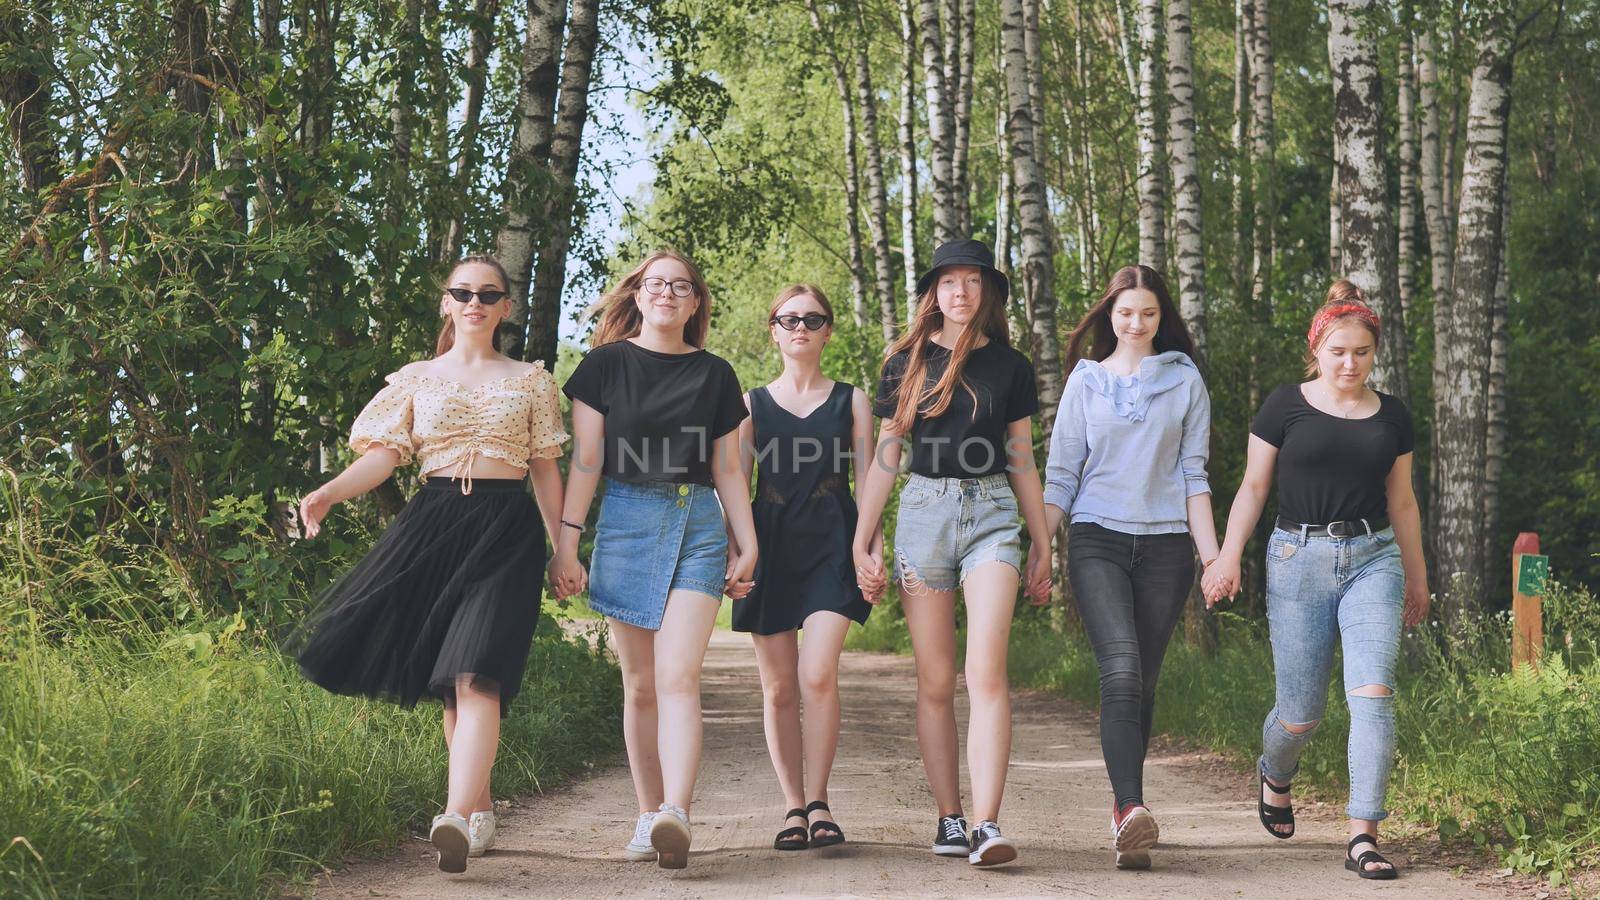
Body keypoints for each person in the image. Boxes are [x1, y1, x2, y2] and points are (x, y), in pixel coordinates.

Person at [294, 255, 568, 873]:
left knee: (478, 674)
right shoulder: (416, 378)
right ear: (447, 302)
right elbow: (384, 457)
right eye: (463, 292)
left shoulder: (531, 381)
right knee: (452, 684)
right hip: (434, 525)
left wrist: (565, 547)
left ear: (505, 307)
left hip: (506, 528)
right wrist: (329, 492)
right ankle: (478, 810)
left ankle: (452, 818)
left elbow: (547, 468)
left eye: (488, 293)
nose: (475, 301)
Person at [1203, 281, 1430, 880]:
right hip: (1296, 558)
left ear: (1373, 352)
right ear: (1318, 351)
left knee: (1374, 695)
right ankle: (1275, 773)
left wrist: (1417, 577)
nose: (1350, 364)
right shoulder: (1285, 405)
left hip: (1373, 559)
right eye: (1338, 352)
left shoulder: (1394, 416)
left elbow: (1403, 503)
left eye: (1361, 352)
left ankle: (1363, 835)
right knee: (1300, 713)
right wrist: (1227, 557)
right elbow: (1253, 488)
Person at [551, 250, 758, 870]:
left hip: (698, 524)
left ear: (695, 303)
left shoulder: (716, 374)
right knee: (640, 684)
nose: (667, 292)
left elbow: (727, 467)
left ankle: (677, 812)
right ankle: (648, 816)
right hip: (626, 524)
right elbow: (586, 460)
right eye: (656, 283)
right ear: (637, 295)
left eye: (682, 285)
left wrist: (747, 540)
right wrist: (567, 539)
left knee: (677, 675)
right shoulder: (602, 367)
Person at [853, 238, 1053, 867]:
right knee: (936, 680)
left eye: (971, 281)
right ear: (932, 293)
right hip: (922, 516)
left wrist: (1042, 543)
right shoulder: (904, 362)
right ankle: (949, 817)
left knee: (985, 673)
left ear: (987, 291)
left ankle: (988, 824)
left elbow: (1021, 459)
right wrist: (864, 537)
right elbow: (888, 455)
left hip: (993, 517)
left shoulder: (1011, 366)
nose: (960, 292)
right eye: (948, 282)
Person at [1042, 264, 1219, 870]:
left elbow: (1195, 476)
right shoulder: (1085, 381)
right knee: (1119, 669)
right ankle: (1130, 807)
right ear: (1109, 315)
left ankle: (1128, 822)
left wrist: (1214, 556)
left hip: (1168, 545)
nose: (1137, 323)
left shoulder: (1185, 381)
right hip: (1097, 538)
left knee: (1142, 680)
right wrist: (1041, 547)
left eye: (1148, 313)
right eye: (1125, 312)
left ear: (1161, 316)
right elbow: (1062, 475)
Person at [733, 283, 879, 853]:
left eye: (812, 320)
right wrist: (737, 552)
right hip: (769, 544)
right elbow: (734, 486)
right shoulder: (750, 404)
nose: (800, 328)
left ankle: (819, 801)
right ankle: (792, 805)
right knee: (778, 689)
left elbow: (869, 479)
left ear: (827, 331)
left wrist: (870, 546)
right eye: (789, 319)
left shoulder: (853, 400)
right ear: (773, 330)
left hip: (832, 542)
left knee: (817, 674)